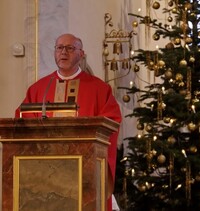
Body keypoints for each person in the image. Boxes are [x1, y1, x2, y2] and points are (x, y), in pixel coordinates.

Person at [15, 33, 122, 211]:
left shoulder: (99, 89)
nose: (64, 52)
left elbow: (111, 122)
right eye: (59, 48)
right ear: (55, 52)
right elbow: (22, 118)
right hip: (44, 171)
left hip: (83, 169)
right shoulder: (39, 88)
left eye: (70, 48)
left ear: (81, 54)